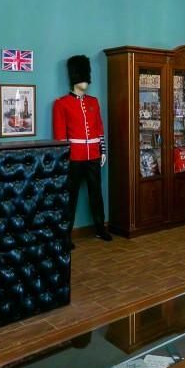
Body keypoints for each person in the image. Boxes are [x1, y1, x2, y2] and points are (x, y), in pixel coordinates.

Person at [53, 55, 112, 245]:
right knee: (70, 198)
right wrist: (65, 158)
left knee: (96, 195)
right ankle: (66, 235)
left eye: (86, 77)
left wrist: (102, 151)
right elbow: (60, 137)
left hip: (93, 155)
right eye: (82, 77)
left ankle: (100, 228)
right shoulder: (61, 103)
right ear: (74, 78)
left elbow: (99, 129)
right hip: (74, 157)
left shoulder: (93, 102)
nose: (85, 81)